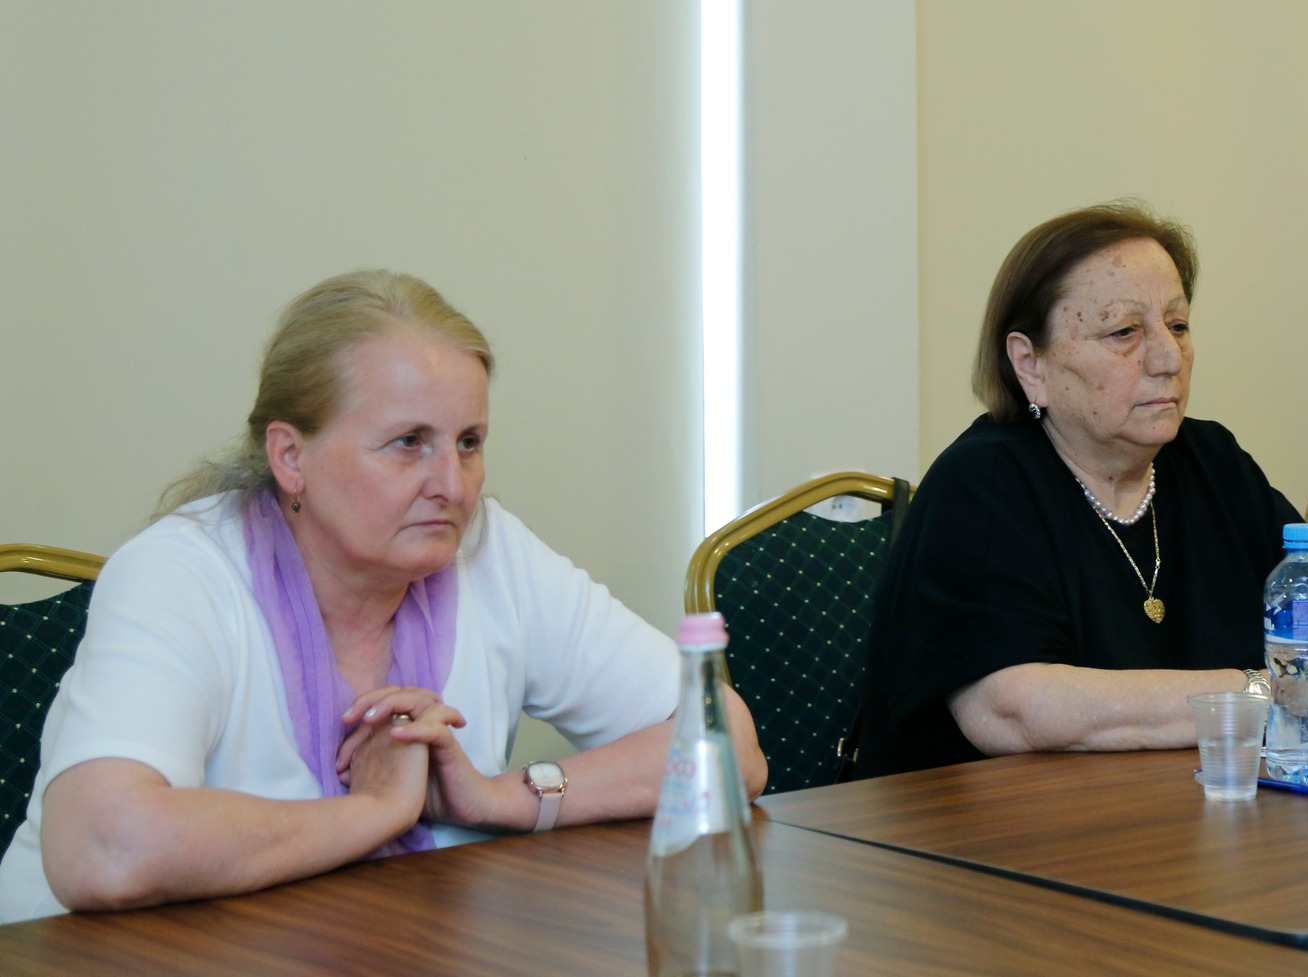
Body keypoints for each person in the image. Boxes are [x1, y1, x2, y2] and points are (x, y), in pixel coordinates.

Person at [0, 271, 768, 922]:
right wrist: (372, 810)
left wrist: (501, 798)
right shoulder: (180, 571)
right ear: (290, 456)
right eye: (409, 442)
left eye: (468, 442)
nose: (452, 484)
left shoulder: (489, 551)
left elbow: (728, 745)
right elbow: (104, 847)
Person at [856, 203, 1308, 778]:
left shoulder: (1213, 462)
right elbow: (1016, 709)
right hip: (982, 834)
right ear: (1029, 364)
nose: (1169, 358)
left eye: (1178, 325)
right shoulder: (983, 484)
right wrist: (1271, 692)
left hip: (1194, 807)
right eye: (1124, 331)